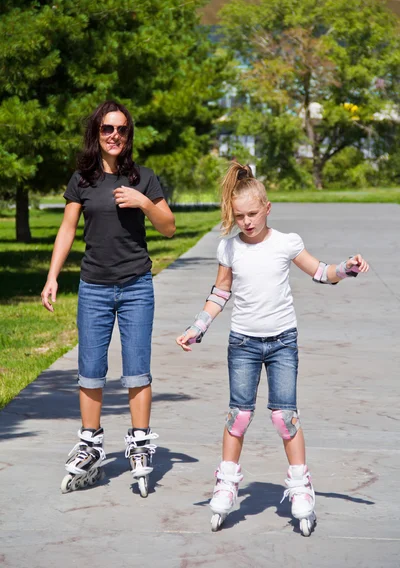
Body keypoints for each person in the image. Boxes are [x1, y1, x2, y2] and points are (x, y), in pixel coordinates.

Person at [176, 162, 369, 535]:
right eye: (240, 216)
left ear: (267, 208)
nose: (247, 222)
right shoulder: (229, 248)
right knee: (239, 416)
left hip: (282, 342)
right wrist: (197, 328)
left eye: (253, 214)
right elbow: (220, 293)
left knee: (285, 417)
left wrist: (346, 268)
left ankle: (300, 486)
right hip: (243, 343)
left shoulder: (286, 242)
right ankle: (227, 484)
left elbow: (320, 272)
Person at [41, 100, 175, 496]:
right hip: (94, 287)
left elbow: (168, 228)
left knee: (137, 370)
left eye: (121, 129)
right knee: (90, 369)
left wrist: (144, 203)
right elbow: (66, 231)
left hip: (136, 286)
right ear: (96, 134)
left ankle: (139, 444)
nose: (114, 135)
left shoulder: (144, 178)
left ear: (128, 135)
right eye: (106, 129)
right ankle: (90, 443)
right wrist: (52, 277)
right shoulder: (81, 180)